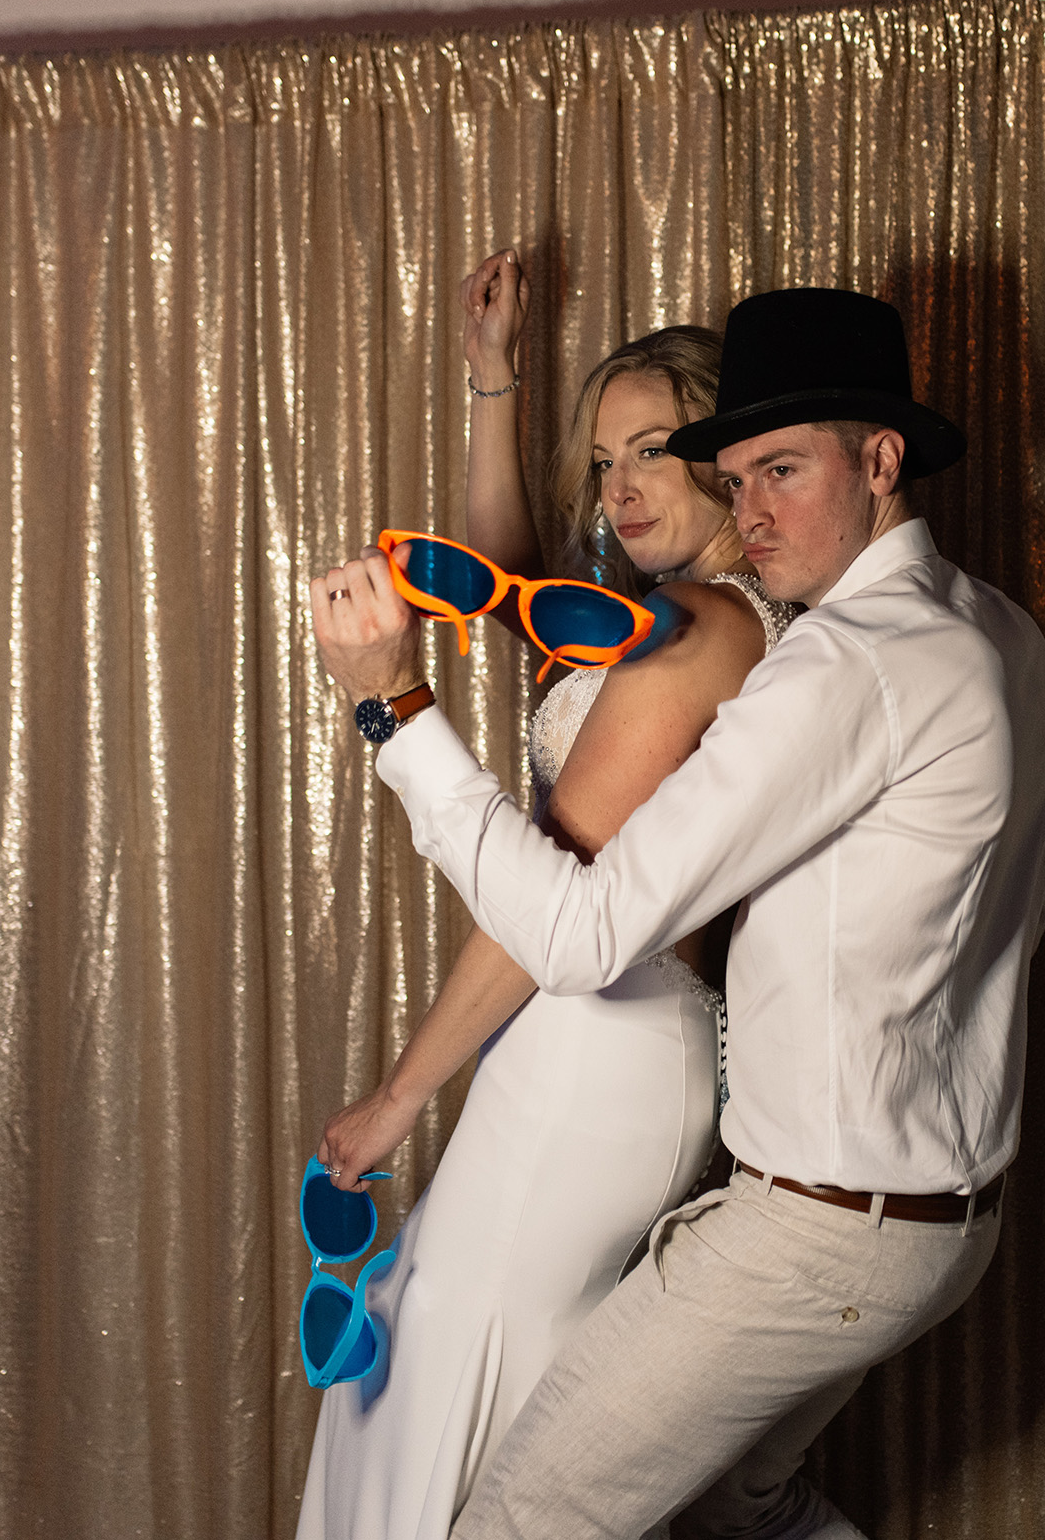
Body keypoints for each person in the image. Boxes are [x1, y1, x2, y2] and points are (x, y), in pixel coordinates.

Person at [310, 286, 1045, 1539]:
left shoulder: (843, 659)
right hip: (936, 1214)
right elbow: (1018, 911)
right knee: (734, 1508)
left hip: (821, 1223)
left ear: (880, 461)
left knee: (523, 1517)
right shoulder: (998, 632)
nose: (755, 507)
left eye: (779, 469)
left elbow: (573, 932)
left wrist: (393, 707)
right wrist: (493, 387)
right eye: (741, 471)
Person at [294, 252, 799, 1540]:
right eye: (601, 459)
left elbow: (554, 898)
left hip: (601, 1033)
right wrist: (492, 384)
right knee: (474, 1352)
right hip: (604, 1037)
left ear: (726, 456)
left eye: (652, 449)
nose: (618, 485)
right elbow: (515, 599)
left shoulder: (698, 630)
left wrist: (401, 1094)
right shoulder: (686, 618)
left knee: (460, 1357)